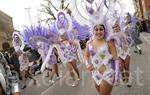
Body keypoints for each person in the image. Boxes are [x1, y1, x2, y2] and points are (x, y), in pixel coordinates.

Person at [84, 24, 119, 95]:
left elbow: (116, 59)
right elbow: (86, 55)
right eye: (96, 29)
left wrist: (117, 75)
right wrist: (87, 65)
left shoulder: (109, 42)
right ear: (93, 31)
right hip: (95, 73)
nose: (99, 32)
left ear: (104, 30)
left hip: (108, 73)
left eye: (101, 29)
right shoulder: (89, 43)